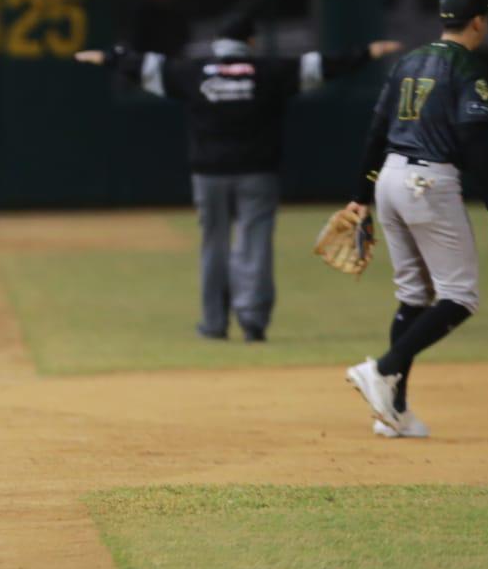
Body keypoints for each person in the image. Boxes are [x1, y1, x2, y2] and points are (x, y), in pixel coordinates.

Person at [77, 18, 400, 341]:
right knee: (254, 243)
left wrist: (108, 57)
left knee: (212, 247)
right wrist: (368, 52)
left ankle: (214, 324)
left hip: (209, 175)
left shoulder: (193, 71)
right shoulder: (270, 71)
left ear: (217, 42)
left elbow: (146, 66)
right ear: (252, 42)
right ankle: (253, 322)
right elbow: (324, 65)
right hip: (257, 173)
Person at [342, 0, 488, 438]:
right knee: (460, 296)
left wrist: (360, 193)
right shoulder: (467, 67)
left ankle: (393, 411)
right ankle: (383, 369)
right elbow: (473, 140)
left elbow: (376, 130)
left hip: (390, 179)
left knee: (415, 296)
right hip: (428, 183)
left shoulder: (408, 62)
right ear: (477, 21)